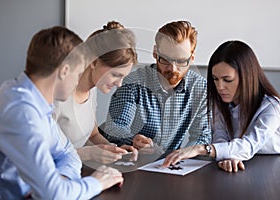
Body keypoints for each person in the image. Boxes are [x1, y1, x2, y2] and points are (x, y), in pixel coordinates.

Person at [0, 26, 123, 200]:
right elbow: (54, 195)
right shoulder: (21, 112)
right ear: (64, 71)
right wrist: (97, 183)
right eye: (78, 74)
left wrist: (60, 181)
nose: (78, 81)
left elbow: (67, 153)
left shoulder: (36, 102)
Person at [163, 40, 280, 172]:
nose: (220, 87)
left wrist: (201, 148)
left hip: (271, 168)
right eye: (215, 79)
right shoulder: (221, 103)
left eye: (227, 80)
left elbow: (248, 146)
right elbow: (220, 136)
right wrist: (227, 155)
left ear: (247, 77)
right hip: (243, 165)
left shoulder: (272, 107)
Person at [100, 20, 211, 153]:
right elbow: (116, 126)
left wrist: (186, 153)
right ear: (155, 53)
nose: (173, 68)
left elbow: (202, 135)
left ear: (192, 57)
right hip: (135, 159)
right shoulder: (133, 82)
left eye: (181, 61)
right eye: (165, 59)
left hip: (171, 164)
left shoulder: (200, 88)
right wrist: (132, 140)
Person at [54, 21, 138, 164]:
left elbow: (92, 134)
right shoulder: (58, 95)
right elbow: (40, 154)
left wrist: (114, 150)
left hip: (75, 170)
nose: (119, 84)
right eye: (116, 75)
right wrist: (88, 154)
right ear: (94, 61)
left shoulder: (92, 91)